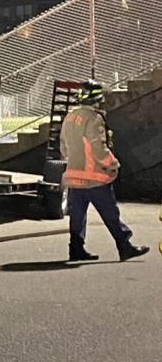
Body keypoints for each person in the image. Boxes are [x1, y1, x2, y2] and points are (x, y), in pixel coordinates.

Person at [60, 80, 148, 262]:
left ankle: (76, 249)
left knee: (77, 216)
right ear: (97, 99)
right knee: (110, 213)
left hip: (74, 176)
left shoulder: (70, 117)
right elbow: (97, 147)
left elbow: (63, 146)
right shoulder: (93, 119)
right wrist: (113, 163)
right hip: (95, 177)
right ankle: (125, 246)